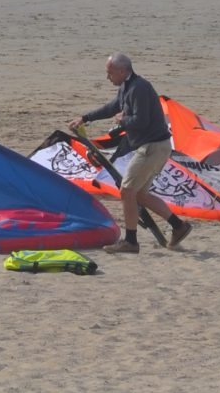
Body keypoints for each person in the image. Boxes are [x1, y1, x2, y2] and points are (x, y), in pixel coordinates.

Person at [70, 54, 186, 253]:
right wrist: (85, 118)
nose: (108, 77)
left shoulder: (139, 88)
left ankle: (130, 241)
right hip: (151, 147)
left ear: (122, 71)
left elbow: (140, 121)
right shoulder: (127, 87)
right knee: (139, 193)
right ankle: (179, 226)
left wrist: (121, 120)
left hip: (153, 147)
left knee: (127, 191)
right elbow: (112, 107)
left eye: (110, 73)